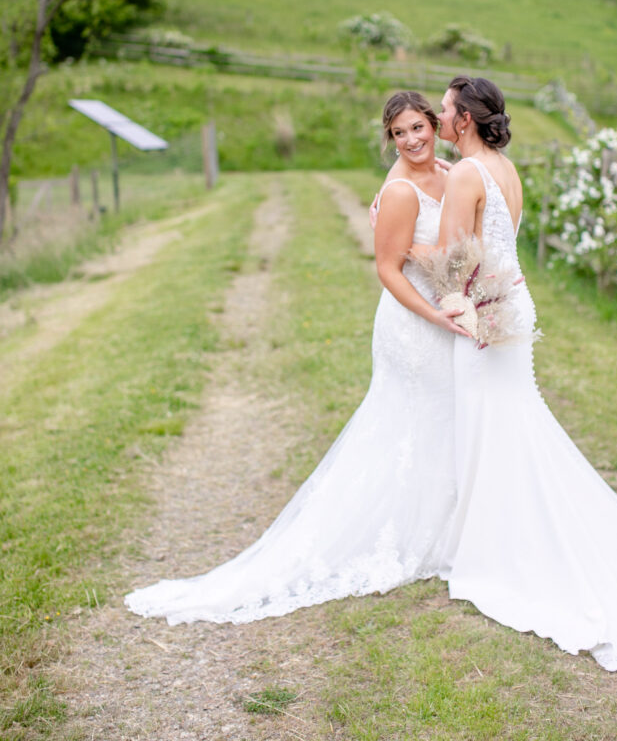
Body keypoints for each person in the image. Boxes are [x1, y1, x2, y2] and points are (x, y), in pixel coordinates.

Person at [124, 91, 461, 626]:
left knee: (443, 418)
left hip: (446, 313)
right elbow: (390, 270)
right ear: (390, 138)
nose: (412, 139)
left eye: (419, 127)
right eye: (400, 133)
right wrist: (437, 315)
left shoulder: (448, 173)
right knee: (406, 420)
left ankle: (444, 526)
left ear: (434, 126)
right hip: (413, 321)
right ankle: (397, 531)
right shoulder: (399, 191)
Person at [430, 74, 617, 680]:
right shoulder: (502, 167)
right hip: (512, 297)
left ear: (464, 118)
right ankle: (503, 529)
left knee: (491, 421)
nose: (438, 118)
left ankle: (502, 547)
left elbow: (449, 259)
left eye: (442, 110)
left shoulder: (465, 174)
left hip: (484, 308)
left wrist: (401, 237)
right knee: (512, 420)